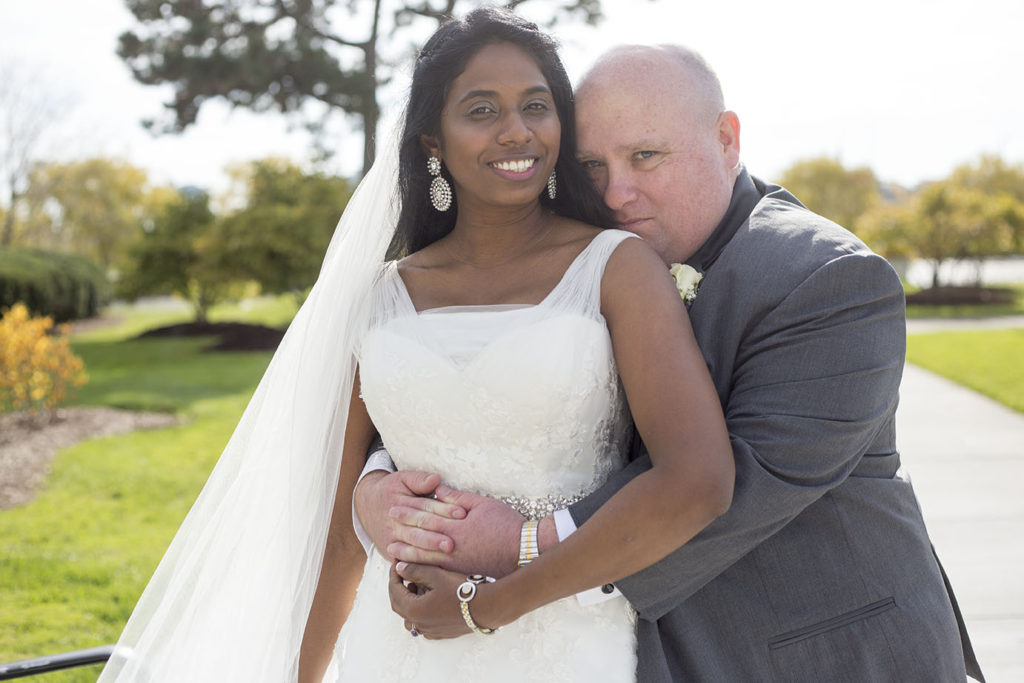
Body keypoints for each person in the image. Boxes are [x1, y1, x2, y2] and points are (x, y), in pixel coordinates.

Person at [97, 10, 735, 683]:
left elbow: (698, 480)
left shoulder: (617, 266)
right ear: (432, 137)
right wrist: (304, 674)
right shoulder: (378, 295)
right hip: (395, 645)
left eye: (536, 106)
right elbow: (342, 533)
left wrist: (487, 605)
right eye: (482, 109)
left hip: (561, 641)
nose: (516, 130)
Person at [358, 45, 984, 682]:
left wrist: (512, 554)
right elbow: (477, 396)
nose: (616, 192)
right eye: (592, 165)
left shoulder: (827, 279)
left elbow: (733, 488)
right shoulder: (588, 263)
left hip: (818, 655)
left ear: (727, 140)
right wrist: (377, 488)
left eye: (646, 157)